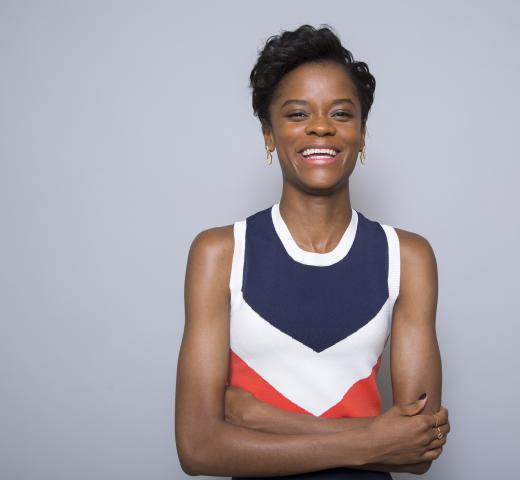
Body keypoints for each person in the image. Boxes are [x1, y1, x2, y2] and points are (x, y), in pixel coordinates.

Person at [175, 24, 450, 478]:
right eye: (298, 113)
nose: (321, 126)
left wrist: (261, 418)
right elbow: (198, 448)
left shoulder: (407, 257)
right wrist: (373, 439)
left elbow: (418, 448)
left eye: (341, 113)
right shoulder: (221, 253)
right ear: (269, 133)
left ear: (362, 133)